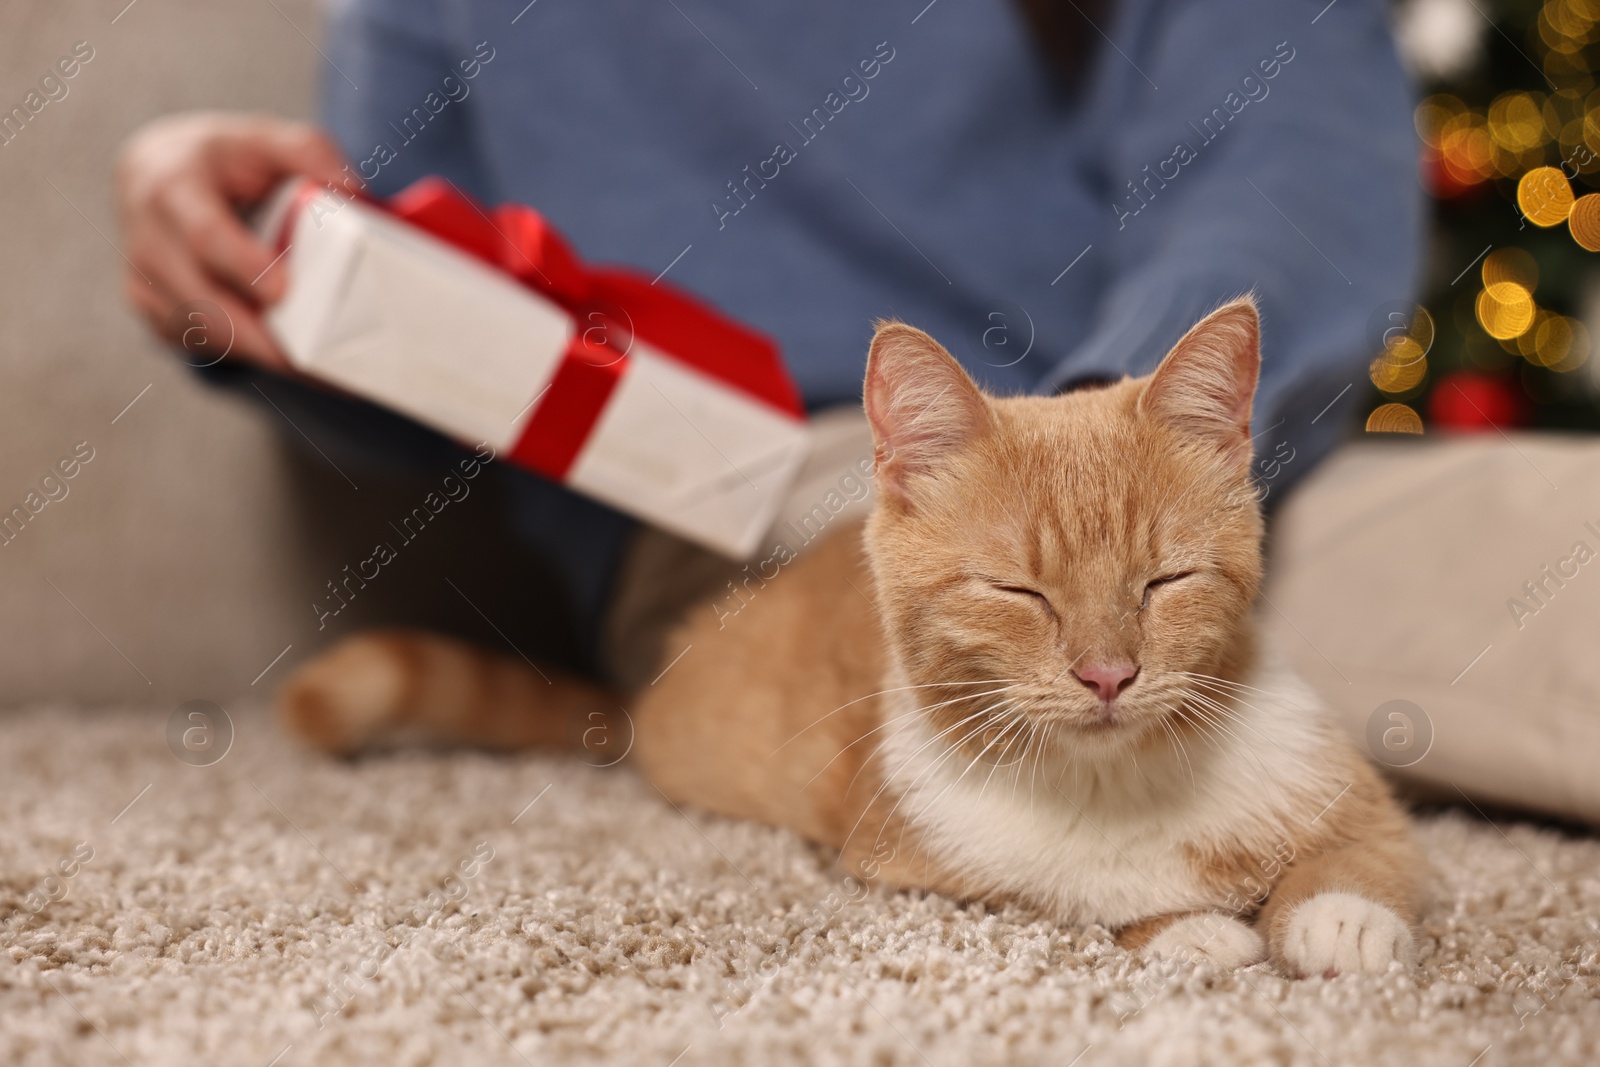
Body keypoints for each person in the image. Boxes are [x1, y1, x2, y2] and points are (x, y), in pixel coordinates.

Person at [116, 0, 1421, 684]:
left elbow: (1290, 160)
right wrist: (247, 260)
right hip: (744, 486)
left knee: (1501, 574)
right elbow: (433, 363)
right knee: (1016, 711)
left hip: (1176, 436)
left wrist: (1111, 459)